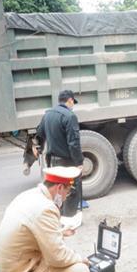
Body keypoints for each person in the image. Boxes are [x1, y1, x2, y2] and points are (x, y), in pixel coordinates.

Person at [0, 166, 90, 272]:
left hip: (7, 270)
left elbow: (33, 232)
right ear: (59, 188)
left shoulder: (29, 195)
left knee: (58, 262)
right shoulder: (46, 208)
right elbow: (57, 258)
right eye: (68, 192)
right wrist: (80, 259)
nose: (66, 197)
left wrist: (59, 232)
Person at [35, 90, 84, 218]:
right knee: (73, 191)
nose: (73, 105)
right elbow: (74, 143)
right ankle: (69, 219)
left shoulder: (48, 114)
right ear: (70, 100)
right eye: (73, 102)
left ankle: (58, 216)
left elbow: (39, 134)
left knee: (58, 190)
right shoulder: (70, 116)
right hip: (67, 161)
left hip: (53, 161)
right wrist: (79, 162)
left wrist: (40, 148)